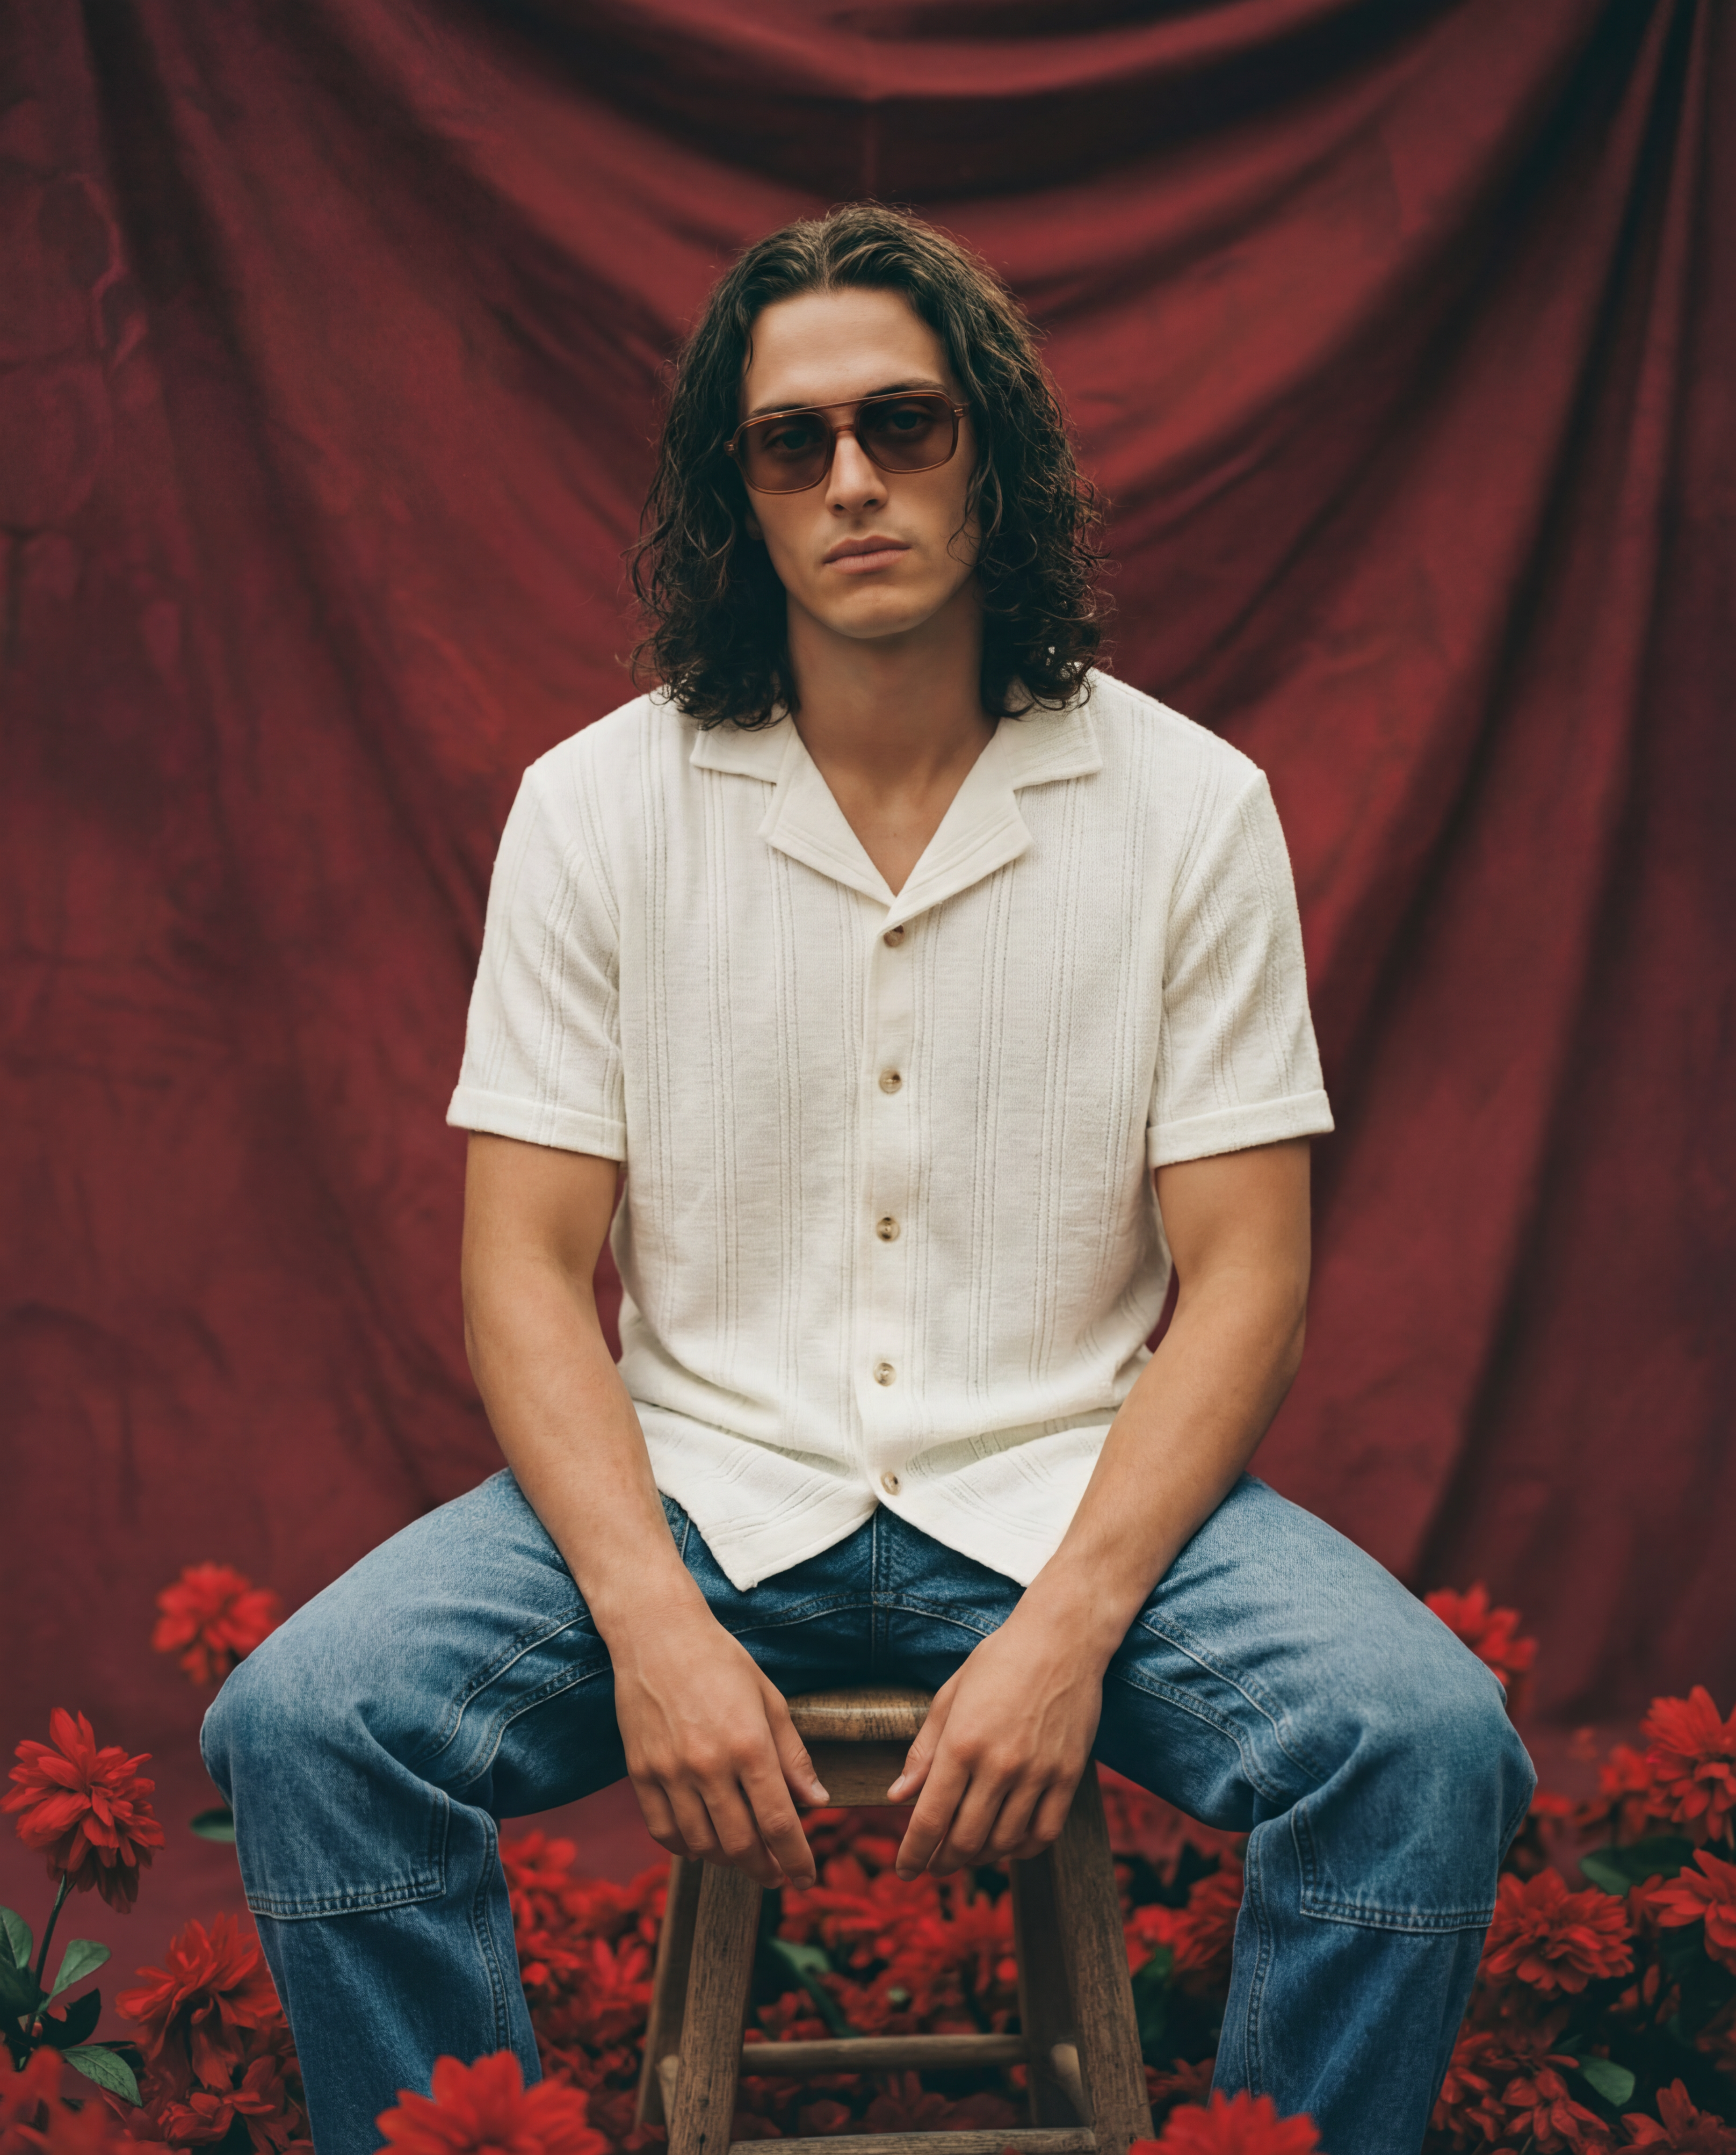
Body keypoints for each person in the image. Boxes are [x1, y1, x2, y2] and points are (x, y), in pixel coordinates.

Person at [203, 203, 1534, 2155]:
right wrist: (653, 1621)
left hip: (1069, 1488)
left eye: (903, 425)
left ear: (988, 446)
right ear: (735, 493)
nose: (852, 482)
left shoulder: (1187, 809)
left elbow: (1244, 1275)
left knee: (1420, 1743)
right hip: (701, 1480)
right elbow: (521, 1267)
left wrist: (1072, 1625)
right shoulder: (598, 809)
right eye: (791, 443)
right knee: (310, 1727)